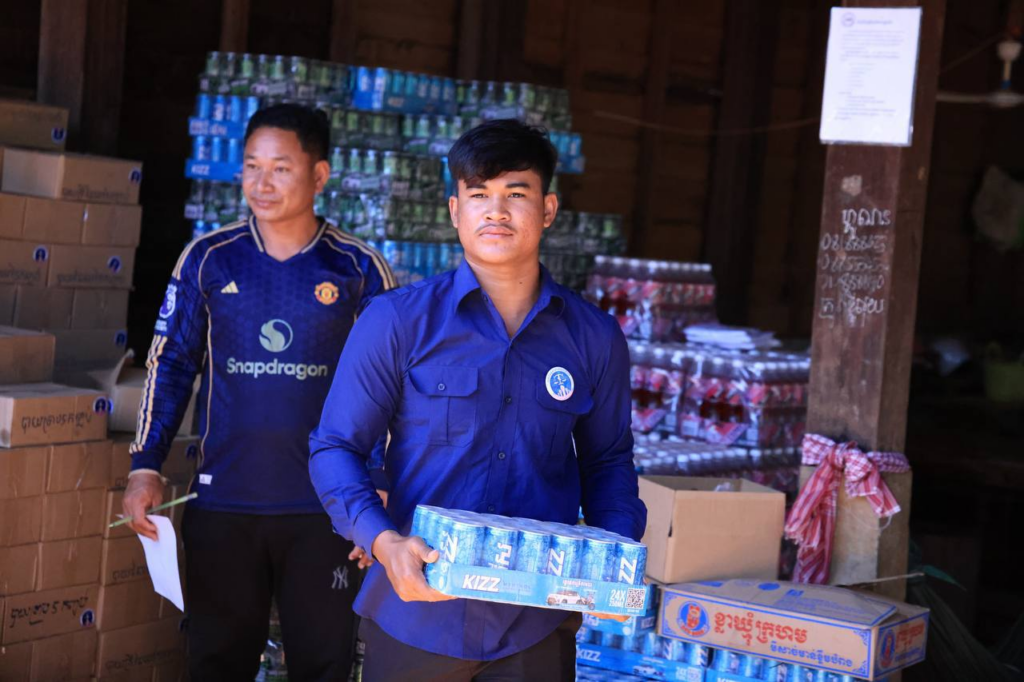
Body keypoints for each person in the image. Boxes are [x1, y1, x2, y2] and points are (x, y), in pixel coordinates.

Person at [309, 119, 646, 681]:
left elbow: (608, 461)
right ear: (454, 210)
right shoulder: (397, 322)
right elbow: (335, 447)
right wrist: (382, 540)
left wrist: (614, 558)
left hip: (535, 626)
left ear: (548, 209)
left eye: (516, 194)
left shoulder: (594, 337)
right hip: (416, 612)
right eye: (479, 195)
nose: (496, 211)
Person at [122, 103, 395, 682]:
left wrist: (379, 488)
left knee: (324, 666)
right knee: (215, 664)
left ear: (319, 176)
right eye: (251, 166)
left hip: (328, 514)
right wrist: (145, 465)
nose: (261, 183)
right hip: (224, 505)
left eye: (280, 168)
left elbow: (389, 385)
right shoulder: (209, 259)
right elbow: (170, 364)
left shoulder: (358, 268)